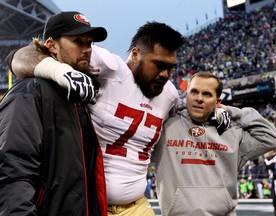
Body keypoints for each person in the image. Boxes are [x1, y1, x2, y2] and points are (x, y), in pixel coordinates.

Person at [8, 18, 185, 215]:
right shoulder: (111, 68)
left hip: (137, 205)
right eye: (159, 64)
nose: (165, 74)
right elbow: (22, 57)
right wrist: (60, 70)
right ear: (135, 54)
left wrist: (219, 111)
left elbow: (189, 115)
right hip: (92, 203)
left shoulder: (170, 94)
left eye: (171, 68)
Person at [0, 11, 108, 215]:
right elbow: (13, 172)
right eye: (78, 41)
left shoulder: (79, 97)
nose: (87, 49)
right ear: (51, 45)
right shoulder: (30, 92)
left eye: (89, 42)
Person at [152, 71, 276, 216]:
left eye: (207, 94)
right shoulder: (165, 127)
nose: (199, 98)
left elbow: (272, 137)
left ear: (217, 102)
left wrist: (230, 111)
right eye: (194, 92)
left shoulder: (233, 132)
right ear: (186, 95)